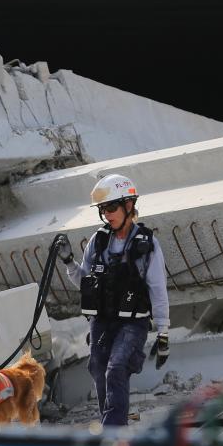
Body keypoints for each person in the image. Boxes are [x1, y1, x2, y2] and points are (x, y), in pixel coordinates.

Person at [57, 173, 170, 426]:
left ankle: (112, 434)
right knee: (98, 369)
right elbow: (86, 283)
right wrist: (68, 262)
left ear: (128, 206)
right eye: (102, 210)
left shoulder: (147, 244)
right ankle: (113, 424)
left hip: (133, 323)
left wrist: (163, 331)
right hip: (102, 322)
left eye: (111, 207)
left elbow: (158, 288)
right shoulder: (97, 242)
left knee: (116, 368)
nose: (106, 214)